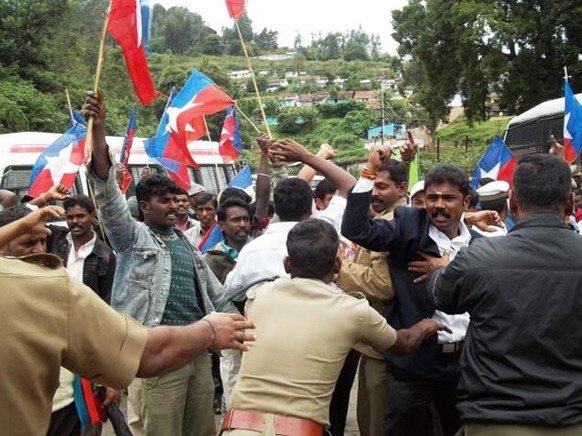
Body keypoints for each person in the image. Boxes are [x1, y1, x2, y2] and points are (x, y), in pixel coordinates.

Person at [0, 205, 255, 436]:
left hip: (73, 394)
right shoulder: (48, 286)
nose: (37, 252)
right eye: (27, 243)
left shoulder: (183, 245)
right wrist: (209, 331)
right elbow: (144, 354)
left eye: (42, 242)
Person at [82, 91, 237, 436]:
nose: (174, 206)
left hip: (197, 353)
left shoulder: (185, 241)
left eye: (176, 200)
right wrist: (100, 128)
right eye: (163, 201)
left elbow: (218, 295)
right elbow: (106, 192)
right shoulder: (131, 237)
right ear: (144, 207)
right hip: (158, 357)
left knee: (201, 432)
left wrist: (246, 321)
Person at [221, 219, 448, 436]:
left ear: (287, 264)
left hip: (237, 428)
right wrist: (426, 325)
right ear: (338, 264)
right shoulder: (354, 312)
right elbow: (403, 344)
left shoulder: (258, 296)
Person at [426, 153, 582, 435]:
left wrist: (442, 268)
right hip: (570, 418)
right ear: (570, 203)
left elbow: (440, 296)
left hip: (493, 419)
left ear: (513, 203)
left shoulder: (479, 257)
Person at [342, 148, 490, 436]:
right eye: (433, 197)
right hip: (414, 364)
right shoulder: (408, 228)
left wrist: (449, 267)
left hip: (466, 363)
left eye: (448, 198)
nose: (438, 205)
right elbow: (356, 228)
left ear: (466, 201)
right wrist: (368, 171)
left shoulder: (482, 246)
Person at [336, 158, 408, 436]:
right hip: (375, 342)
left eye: (382, 186)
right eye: (372, 186)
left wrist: (341, 267)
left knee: (377, 423)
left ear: (401, 189)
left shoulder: (392, 223)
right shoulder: (384, 218)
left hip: (385, 345)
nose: (374, 193)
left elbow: (382, 285)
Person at [204, 197, 252, 286]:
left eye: (246, 219)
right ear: (221, 225)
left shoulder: (260, 249)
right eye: (236, 220)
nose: (243, 224)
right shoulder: (211, 259)